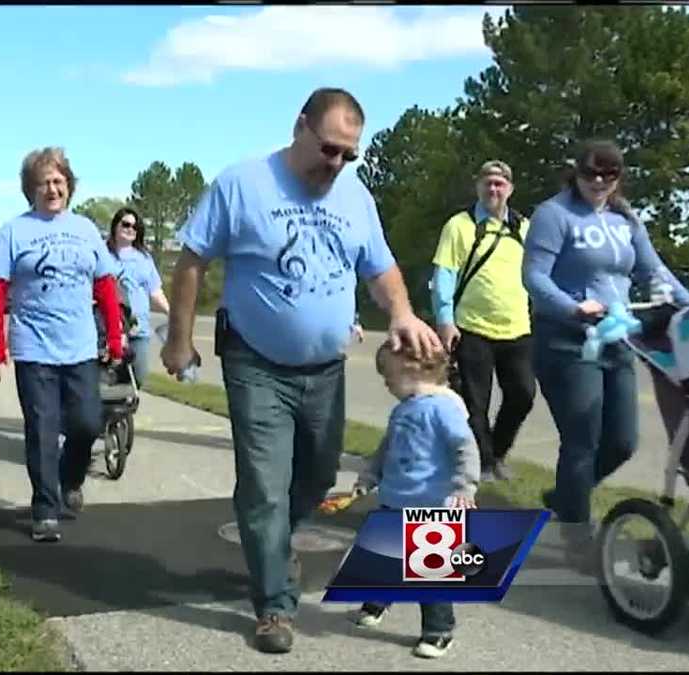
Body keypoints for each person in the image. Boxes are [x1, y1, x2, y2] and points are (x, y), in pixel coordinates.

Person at [160, 87, 443, 654]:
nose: (335, 163)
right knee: (265, 485)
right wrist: (180, 339)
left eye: (348, 155)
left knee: (314, 477)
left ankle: (273, 542)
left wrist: (404, 312)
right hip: (254, 362)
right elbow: (192, 261)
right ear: (300, 127)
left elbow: (381, 268)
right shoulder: (242, 184)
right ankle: (274, 606)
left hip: (325, 368)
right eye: (329, 148)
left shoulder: (355, 198)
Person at [522, 139, 689, 566]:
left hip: (617, 337)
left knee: (622, 442)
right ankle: (578, 536)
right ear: (575, 172)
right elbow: (535, 278)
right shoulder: (554, 215)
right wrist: (573, 306)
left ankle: (564, 495)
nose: (598, 182)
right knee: (582, 440)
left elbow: (653, 269)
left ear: (619, 177)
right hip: (566, 340)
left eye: (609, 174)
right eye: (590, 173)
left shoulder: (625, 218)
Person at [0, 146, 125, 543]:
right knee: (42, 429)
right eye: (44, 182)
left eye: (58, 181)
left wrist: (114, 337)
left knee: (86, 423)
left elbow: (105, 286)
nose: (52, 188)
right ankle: (45, 509)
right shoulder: (14, 231)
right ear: (31, 189)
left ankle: (70, 478)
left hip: (79, 346)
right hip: (33, 348)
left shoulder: (84, 229)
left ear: (69, 186)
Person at [349, 342, 479, 659]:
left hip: (431, 503)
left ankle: (438, 631)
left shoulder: (443, 408)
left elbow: (466, 447)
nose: (385, 383)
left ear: (411, 368)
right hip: (394, 498)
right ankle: (378, 602)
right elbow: (386, 449)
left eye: (388, 375)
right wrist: (369, 477)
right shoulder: (403, 408)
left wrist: (465, 487)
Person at [430, 160, 535, 482]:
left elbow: (538, 273)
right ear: (478, 186)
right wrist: (445, 320)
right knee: (475, 404)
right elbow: (444, 275)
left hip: (518, 329)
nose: (493, 189)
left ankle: (496, 452)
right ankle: (484, 467)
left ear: (510, 189)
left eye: (500, 184)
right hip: (471, 328)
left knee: (523, 395)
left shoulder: (524, 228)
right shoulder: (459, 226)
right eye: (487, 183)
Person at [106, 207, 171, 387]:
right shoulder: (104, 256)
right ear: (115, 227)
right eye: (126, 224)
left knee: (139, 376)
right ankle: (107, 412)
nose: (130, 229)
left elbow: (155, 291)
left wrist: (171, 312)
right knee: (110, 378)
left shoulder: (144, 258)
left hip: (139, 329)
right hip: (111, 328)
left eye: (135, 227)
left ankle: (124, 410)